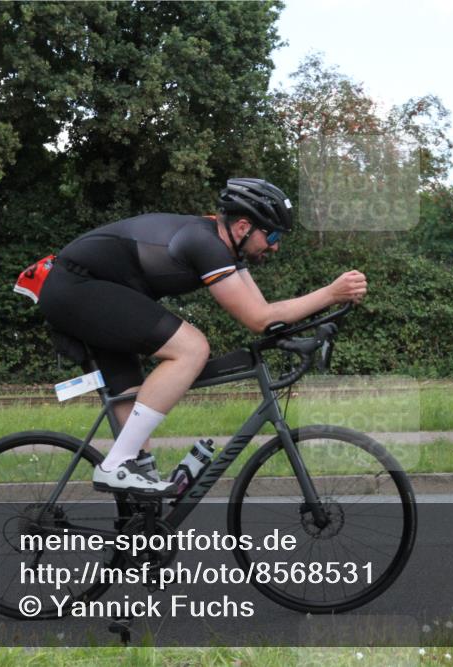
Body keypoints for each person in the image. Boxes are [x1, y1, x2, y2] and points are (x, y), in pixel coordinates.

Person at [36, 178, 368, 495]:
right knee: (192, 348)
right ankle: (116, 464)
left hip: (95, 291)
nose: (276, 245)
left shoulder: (225, 250)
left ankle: (138, 520)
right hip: (76, 289)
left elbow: (265, 313)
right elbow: (258, 319)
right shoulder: (204, 243)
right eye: (273, 234)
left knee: (134, 402)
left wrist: (297, 331)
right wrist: (330, 293)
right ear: (243, 227)